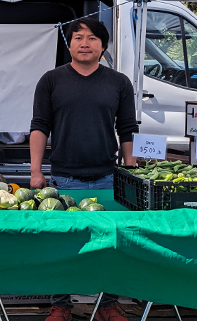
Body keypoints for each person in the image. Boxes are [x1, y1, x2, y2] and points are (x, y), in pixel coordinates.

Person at [29, 18, 138, 321]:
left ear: (103, 46)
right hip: (64, 178)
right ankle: (61, 304)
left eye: (92, 38)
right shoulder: (51, 80)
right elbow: (39, 126)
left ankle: (108, 304)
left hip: (107, 178)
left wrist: (130, 166)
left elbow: (128, 128)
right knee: (61, 245)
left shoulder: (118, 83)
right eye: (78, 38)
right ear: (69, 44)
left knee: (109, 245)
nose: (85, 43)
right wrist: (36, 171)